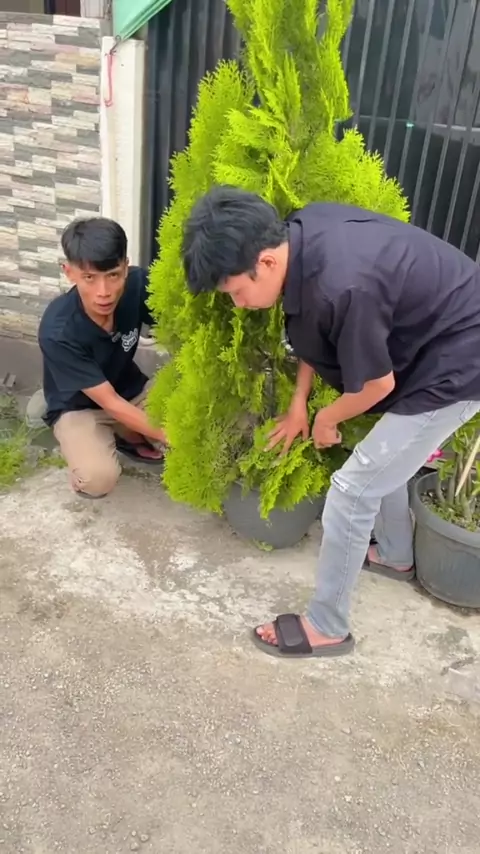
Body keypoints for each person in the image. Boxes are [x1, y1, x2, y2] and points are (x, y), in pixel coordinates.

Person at [181, 185, 480, 660]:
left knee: (352, 490)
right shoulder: (302, 234)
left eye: (236, 291)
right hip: (435, 339)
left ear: (266, 262)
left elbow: (375, 384)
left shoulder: (344, 284)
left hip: (460, 363)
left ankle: (327, 626)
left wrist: (326, 417)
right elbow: (315, 330)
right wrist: (299, 402)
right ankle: (395, 556)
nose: (238, 304)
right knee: (381, 461)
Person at [38, 218, 167, 498]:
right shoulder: (58, 331)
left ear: (125, 266)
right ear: (69, 272)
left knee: (196, 423)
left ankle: (126, 432)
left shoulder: (137, 284)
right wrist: (168, 434)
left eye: (113, 275)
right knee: (97, 479)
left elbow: (180, 327)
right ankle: (90, 440)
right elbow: (109, 402)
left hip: (131, 390)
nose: (104, 292)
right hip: (79, 407)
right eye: (89, 278)